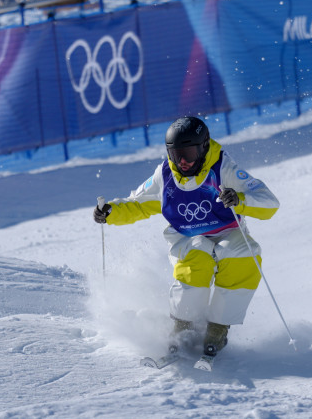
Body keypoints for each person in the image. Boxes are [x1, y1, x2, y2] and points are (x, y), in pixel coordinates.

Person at [93, 116, 280, 360]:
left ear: (203, 147)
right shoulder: (165, 176)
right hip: (186, 237)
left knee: (243, 254)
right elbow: (137, 203)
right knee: (198, 255)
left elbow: (269, 203)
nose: (182, 162)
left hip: (228, 232)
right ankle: (183, 328)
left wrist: (240, 200)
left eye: (189, 153)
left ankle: (217, 330)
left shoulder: (223, 169)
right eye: (175, 154)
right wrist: (111, 212)